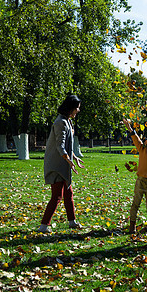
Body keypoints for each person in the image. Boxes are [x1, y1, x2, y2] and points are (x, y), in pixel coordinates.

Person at [38, 94, 85, 233]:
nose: (78, 110)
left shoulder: (67, 121)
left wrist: (74, 157)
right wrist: (68, 159)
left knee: (68, 193)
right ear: (71, 108)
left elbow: (67, 145)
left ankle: (72, 222)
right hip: (57, 165)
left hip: (63, 163)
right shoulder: (60, 122)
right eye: (77, 108)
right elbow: (60, 145)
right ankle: (44, 226)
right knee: (57, 196)